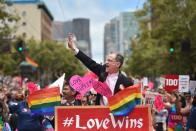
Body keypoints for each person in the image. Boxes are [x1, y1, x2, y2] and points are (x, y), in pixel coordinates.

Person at [67, 33, 133, 105]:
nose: (106, 62)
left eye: (109, 60)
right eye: (106, 60)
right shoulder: (102, 71)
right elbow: (89, 62)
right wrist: (74, 48)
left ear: (117, 64)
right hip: (100, 113)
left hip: (116, 114)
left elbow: (129, 103)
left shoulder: (126, 82)